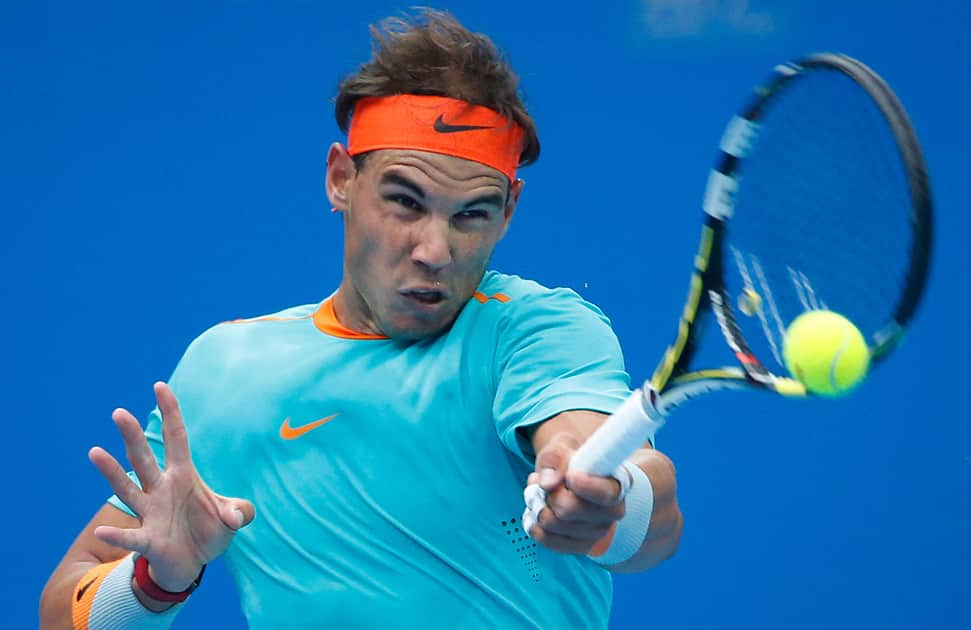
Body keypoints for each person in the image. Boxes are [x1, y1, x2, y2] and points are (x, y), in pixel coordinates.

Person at [40, 9, 682, 629]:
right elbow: (61, 613)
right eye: (405, 202)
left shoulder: (535, 328)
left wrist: (606, 501)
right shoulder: (223, 368)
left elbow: (650, 514)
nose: (435, 250)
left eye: (472, 215)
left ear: (509, 211)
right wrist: (157, 581)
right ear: (341, 178)